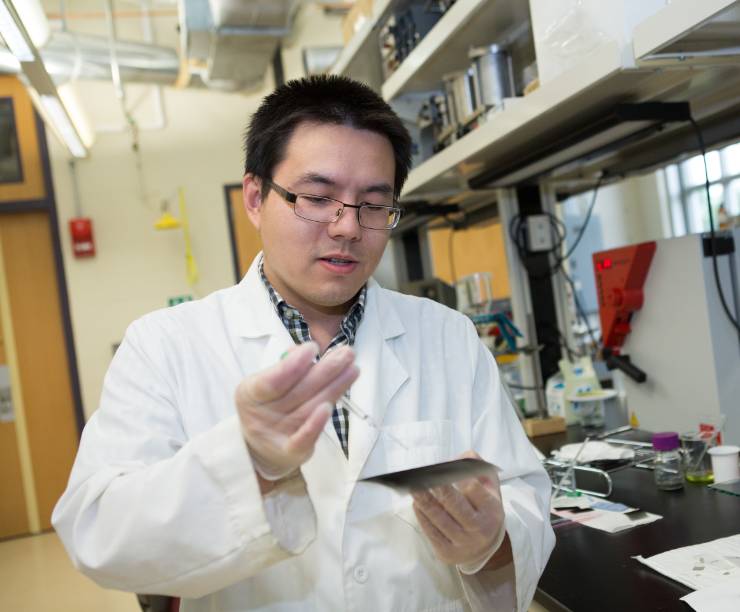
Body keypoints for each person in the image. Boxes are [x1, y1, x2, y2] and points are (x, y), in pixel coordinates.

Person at [53, 75, 554, 611]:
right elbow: (97, 532)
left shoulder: (448, 337)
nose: (347, 227)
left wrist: (491, 543)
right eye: (317, 198)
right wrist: (249, 464)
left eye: (373, 205)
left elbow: (524, 495)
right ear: (254, 197)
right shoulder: (165, 345)